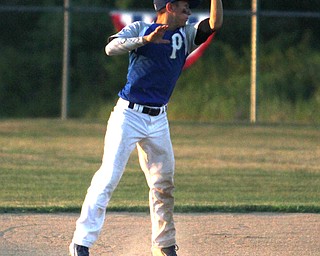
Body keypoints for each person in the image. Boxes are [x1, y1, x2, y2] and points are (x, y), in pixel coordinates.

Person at [69, 0, 223, 255]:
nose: (189, 12)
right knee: (108, 177)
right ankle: (80, 242)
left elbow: (215, 23)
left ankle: (163, 245)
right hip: (128, 115)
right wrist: (144, 40)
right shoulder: (140, 27)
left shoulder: (185, 35)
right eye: (185, 7)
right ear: (169, 7)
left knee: (163, 183)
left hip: (158, 119)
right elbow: (111, 47)